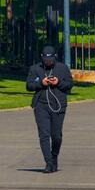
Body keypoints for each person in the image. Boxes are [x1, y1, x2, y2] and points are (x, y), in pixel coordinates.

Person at [26, 45, 73, 173]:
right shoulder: (35, 69)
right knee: (44, 135)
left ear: (55, 57)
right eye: (46, 59)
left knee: (56, 135)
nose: (48, 62)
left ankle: (54, 156)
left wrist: (58, 82)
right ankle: (48, 162)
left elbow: (69, 85)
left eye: (50, 59)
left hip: (58, 106)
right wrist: (41, 83)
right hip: (41, 106)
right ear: (42, 58)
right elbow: (29, 85)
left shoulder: (62, 68)